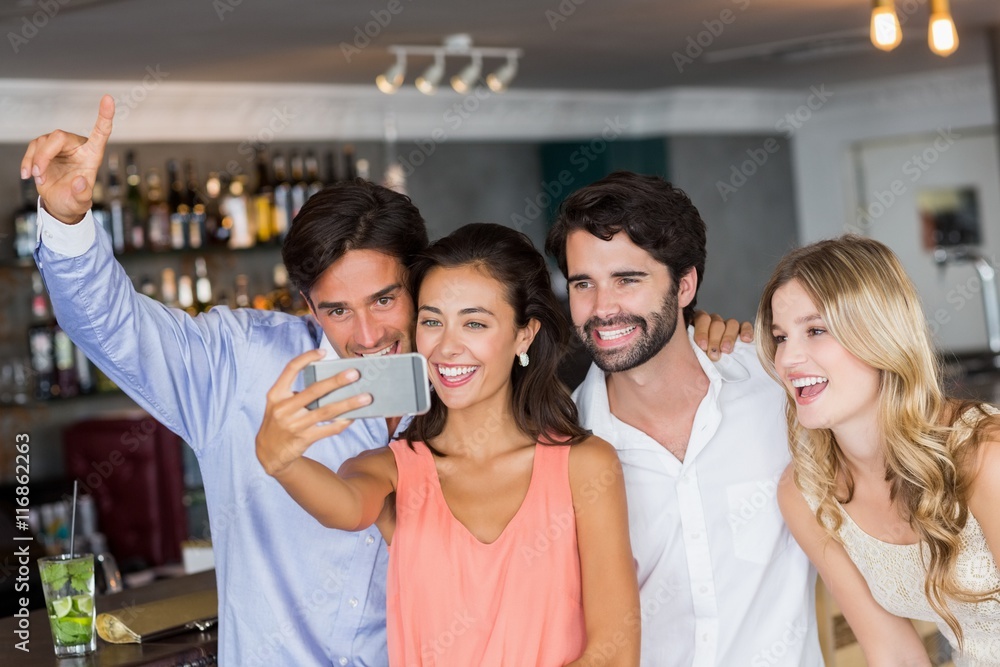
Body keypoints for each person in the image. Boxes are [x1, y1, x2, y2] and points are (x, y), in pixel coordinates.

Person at [22, 99, 742, 665]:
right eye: (334, 309)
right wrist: (67, 217)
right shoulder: (238, 366)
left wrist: (702, 333)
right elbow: (111, 327)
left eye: (386, 301)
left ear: (419, 281)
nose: (365, 334)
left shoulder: (475, 389)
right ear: (306, 305)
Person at [256, 222, 640, 666]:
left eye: (474, 323)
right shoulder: (390, 469)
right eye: (432, 321)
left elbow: (614, 653)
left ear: (524, 333)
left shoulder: (585, 466)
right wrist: (281, 462)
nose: (448, 347)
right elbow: (345, 507)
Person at [545, 171, 823, 666]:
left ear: (685, 285)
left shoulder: (777, 388)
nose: (602, 308)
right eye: (584, 284)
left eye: (627, 280)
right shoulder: (562, 447)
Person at [756, 236, 1000, 665]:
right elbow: (893, 653)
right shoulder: (805, 492)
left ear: (879, 334)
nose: (788, 359)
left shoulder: (984, 454)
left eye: (816, 330)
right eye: (780, 337)